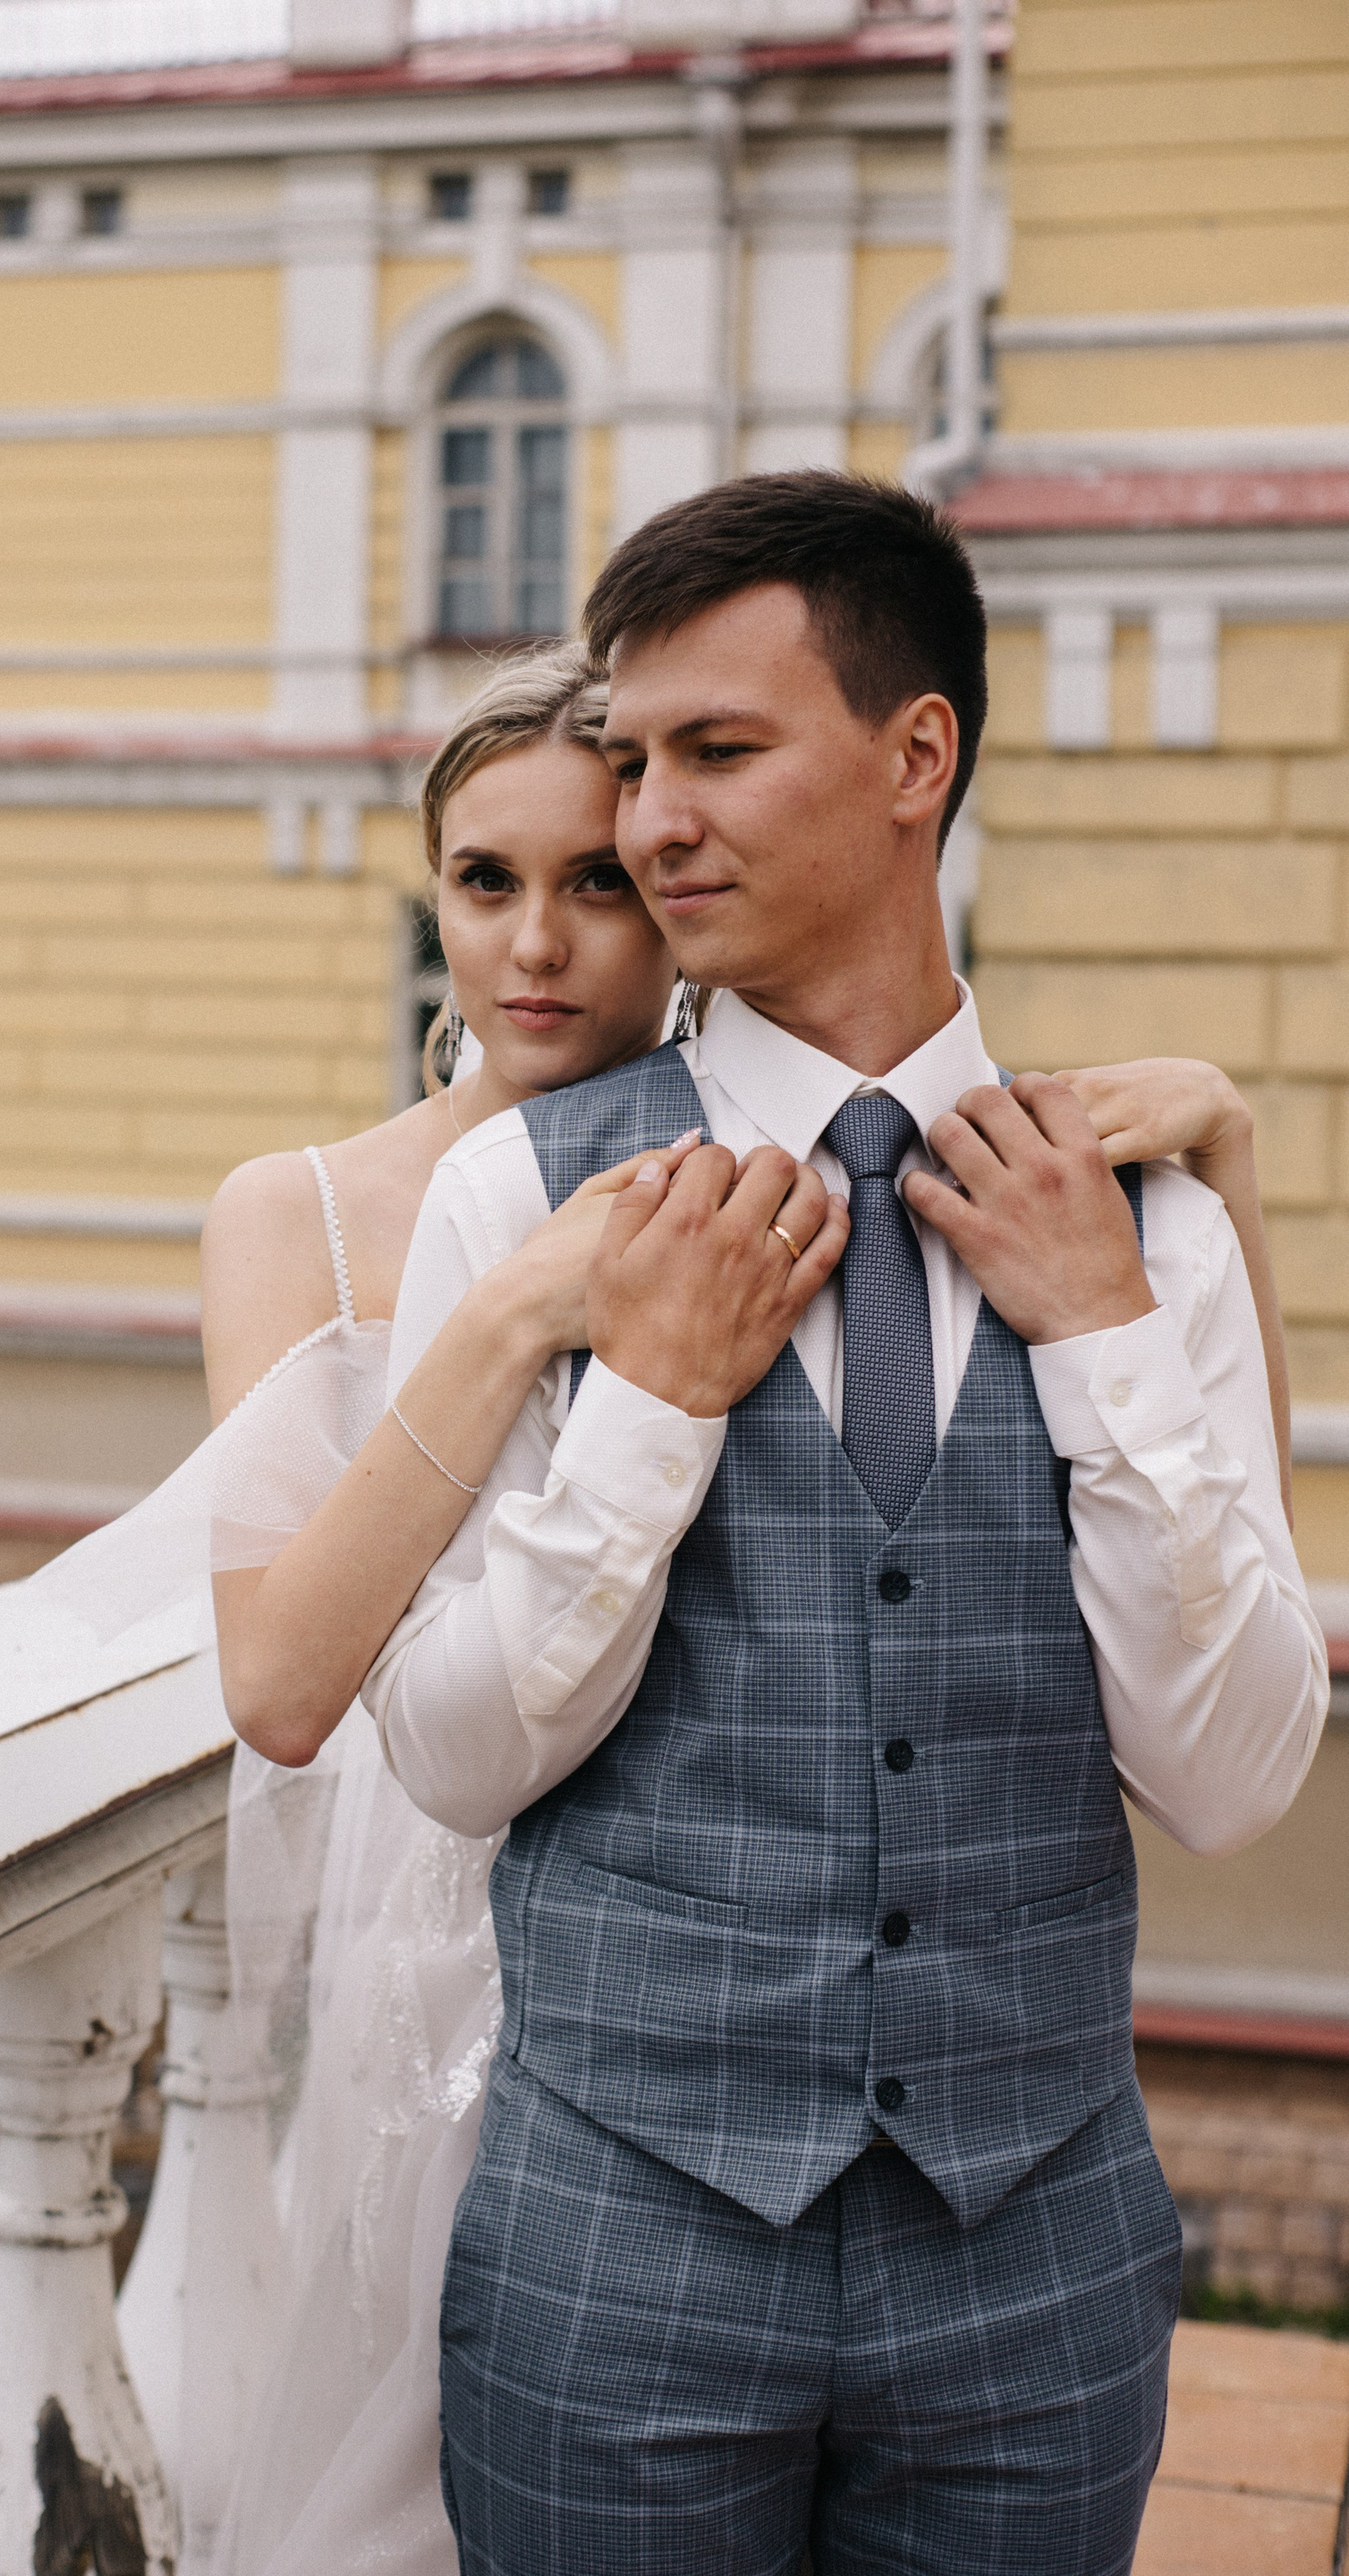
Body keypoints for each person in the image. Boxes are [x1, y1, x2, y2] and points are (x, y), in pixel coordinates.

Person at [357, 476, 1330, 2576]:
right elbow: (444, 1753)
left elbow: (1237, 1778)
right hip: (619, 2253)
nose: (651, 825)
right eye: (634, 763)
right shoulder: (521, 1204)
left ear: (916, 758)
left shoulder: (1145, 1217)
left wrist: (1103, 1334)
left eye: (717, 751)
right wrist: (652, 1407)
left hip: (1038, 2262)